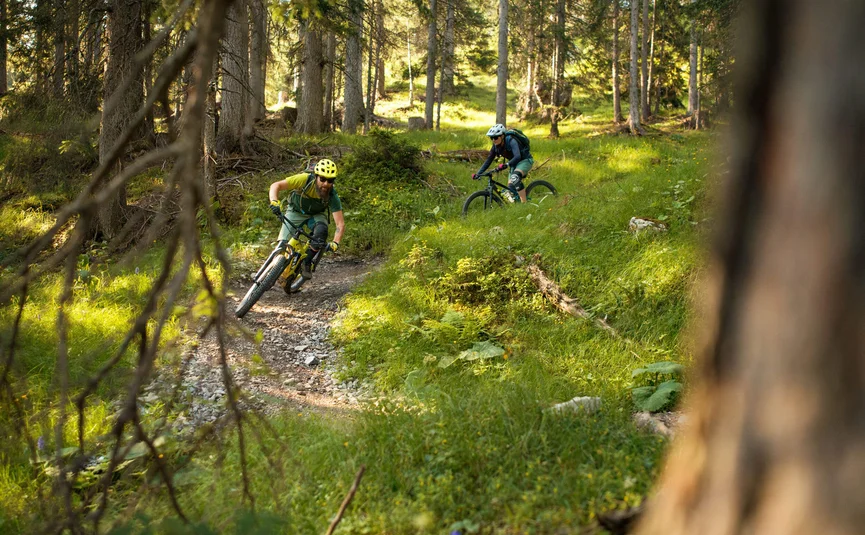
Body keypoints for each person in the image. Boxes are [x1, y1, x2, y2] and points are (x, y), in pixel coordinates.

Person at [268, 159, 345, 283]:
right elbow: (276, 185)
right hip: (296, 210)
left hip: (316, 215)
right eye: (322, 179)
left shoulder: (332, 195)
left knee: (321, 233)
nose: (326, 184)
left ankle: (307, 262)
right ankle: (272, 270)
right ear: (316, 177)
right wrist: (274, 201)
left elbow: (340, 224)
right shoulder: (304, 179)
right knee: (283, 244)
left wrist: (335, 242)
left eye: (330, 180)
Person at [472, 124, 534, 203]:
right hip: (514, 164)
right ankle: (517, 202)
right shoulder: (495, 146)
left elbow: (517, 156)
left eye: (496, 137)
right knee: (510, 189)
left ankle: (524, 203)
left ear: (502, 136)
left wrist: (506, 164)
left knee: (515, 178)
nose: (493, 140)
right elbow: (488, 161)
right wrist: (478, 173)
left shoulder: (511, 140)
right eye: (491, 138)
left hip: (525, 161)